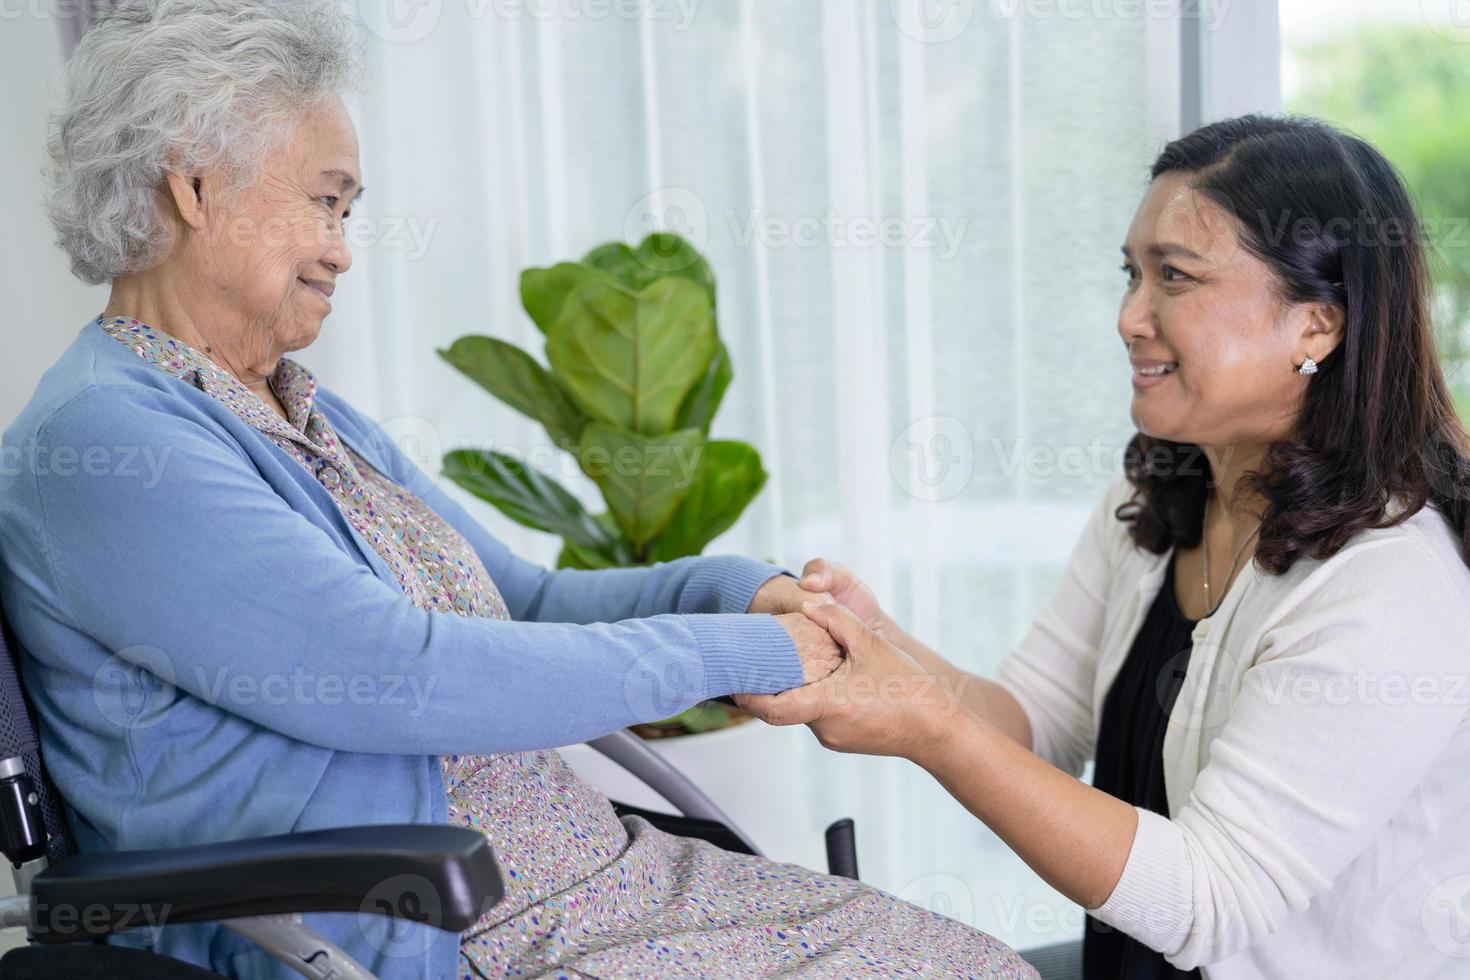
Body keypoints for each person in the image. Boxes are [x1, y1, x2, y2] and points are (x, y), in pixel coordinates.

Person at [0, 1, 1036, 977]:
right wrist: (763, 651)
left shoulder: (289, 408)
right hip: (438, 930)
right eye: (324, 200)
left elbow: (521, 602)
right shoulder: (104, 443)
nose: (342, 248)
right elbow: (400, 673)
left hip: (586, 881)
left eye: (349, 212)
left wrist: (740, 591)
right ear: (196, 187)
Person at [742, 114, 1470, 979]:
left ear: (1315, 326)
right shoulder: (1161, 491)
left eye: (1175, 276)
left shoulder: (1392, 580)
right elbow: (1037, 723)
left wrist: (926, 723)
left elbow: (1210, 900)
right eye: (1131, 274)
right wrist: (878, 641)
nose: (1129, 317)